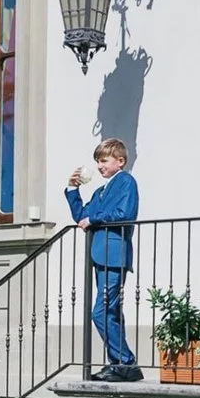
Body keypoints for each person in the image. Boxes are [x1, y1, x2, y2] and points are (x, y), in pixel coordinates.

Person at [66, 137, 142, 382]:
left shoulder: (126, 182)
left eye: (104, 160)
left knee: (100, 312)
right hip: (101, 257)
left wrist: (95, 220)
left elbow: (124, 213)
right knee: (110, 312)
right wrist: (72, 189)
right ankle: (119, 364)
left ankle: (125, 363)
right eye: (97, 161)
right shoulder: (101, 191)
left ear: (120, 161)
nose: (99, 166)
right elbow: (81, 216)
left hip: (114, 255)